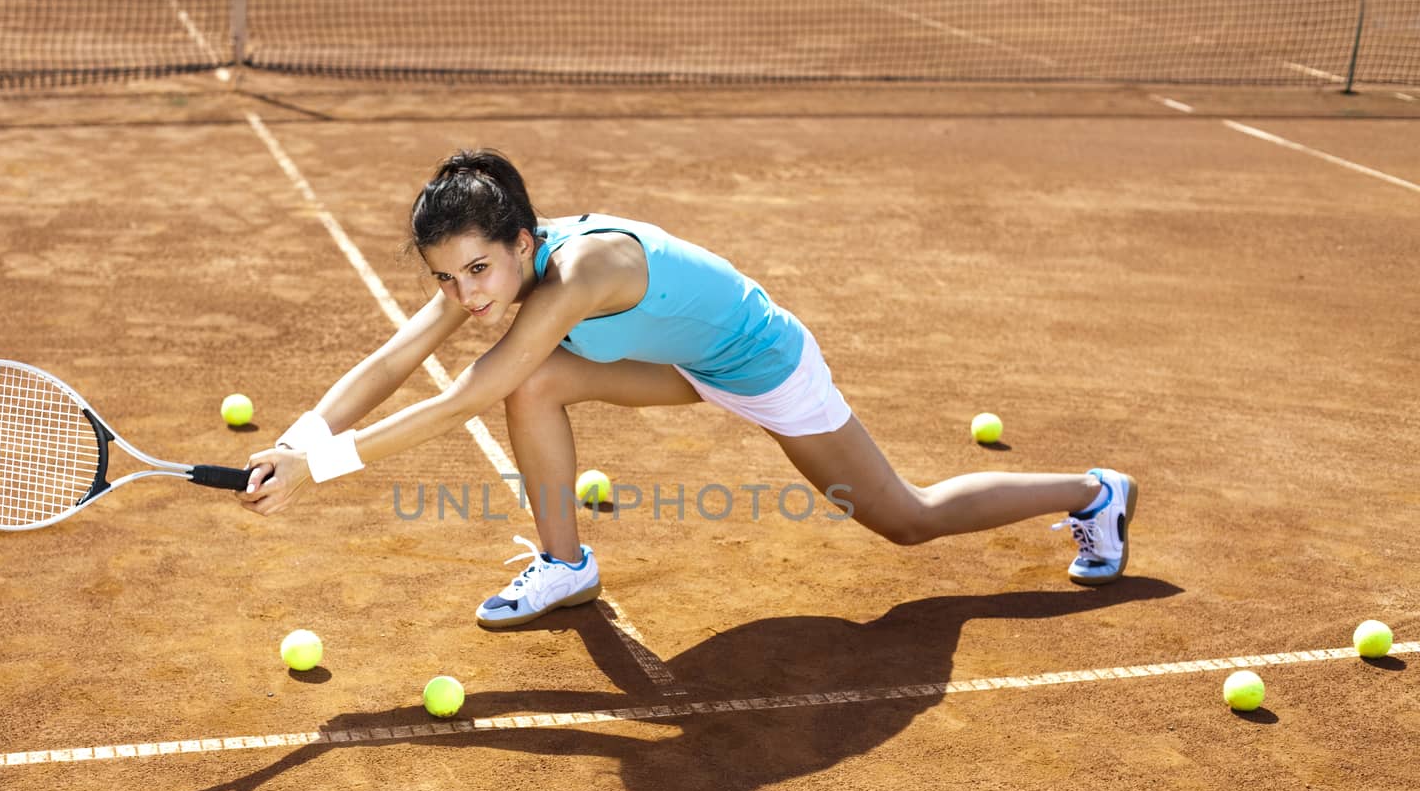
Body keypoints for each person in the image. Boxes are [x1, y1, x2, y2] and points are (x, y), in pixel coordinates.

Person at [239, 149, 1137, 629]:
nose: (465, 295)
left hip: (763, 368)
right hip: (683, 366)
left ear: (521, 241)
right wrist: (296, 436)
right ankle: (565, 567)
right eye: (448, 278)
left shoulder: (581, 273)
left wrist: (320, 469)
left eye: (477, 269)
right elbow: (397, 359)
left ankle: (1096, 492)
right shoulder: (502, 269)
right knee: (537, 383)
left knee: (906, 518)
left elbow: (466, 393)